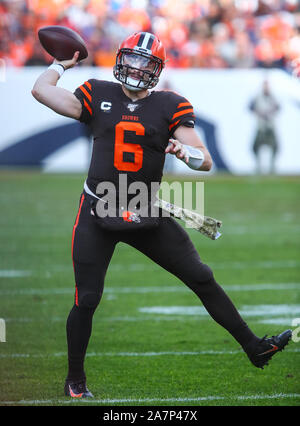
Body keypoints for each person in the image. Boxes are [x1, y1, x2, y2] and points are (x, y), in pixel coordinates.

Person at [32, 32, 292, 398]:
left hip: (144, 209)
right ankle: (75, 380)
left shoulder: (170, 104)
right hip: (98, 209)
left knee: (202, 277)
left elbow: (206, 159)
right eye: (132, 60)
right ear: (121, 59)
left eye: (144, 62)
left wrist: (187, 153)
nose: (136, 68)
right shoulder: (97, 92)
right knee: (87, 298)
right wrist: (60, 64)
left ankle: (256, 348)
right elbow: (42, 91)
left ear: (156, 70)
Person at [249, 79, 281, 174]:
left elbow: (278, 107)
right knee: (255, 146)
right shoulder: (257, 97)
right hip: (261, 125)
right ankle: (258, 165)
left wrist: (270, 111)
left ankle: (272, 166)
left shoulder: (273, 97)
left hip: (270, 125)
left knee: (275, 146)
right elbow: (250, 107)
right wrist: (259, 113)